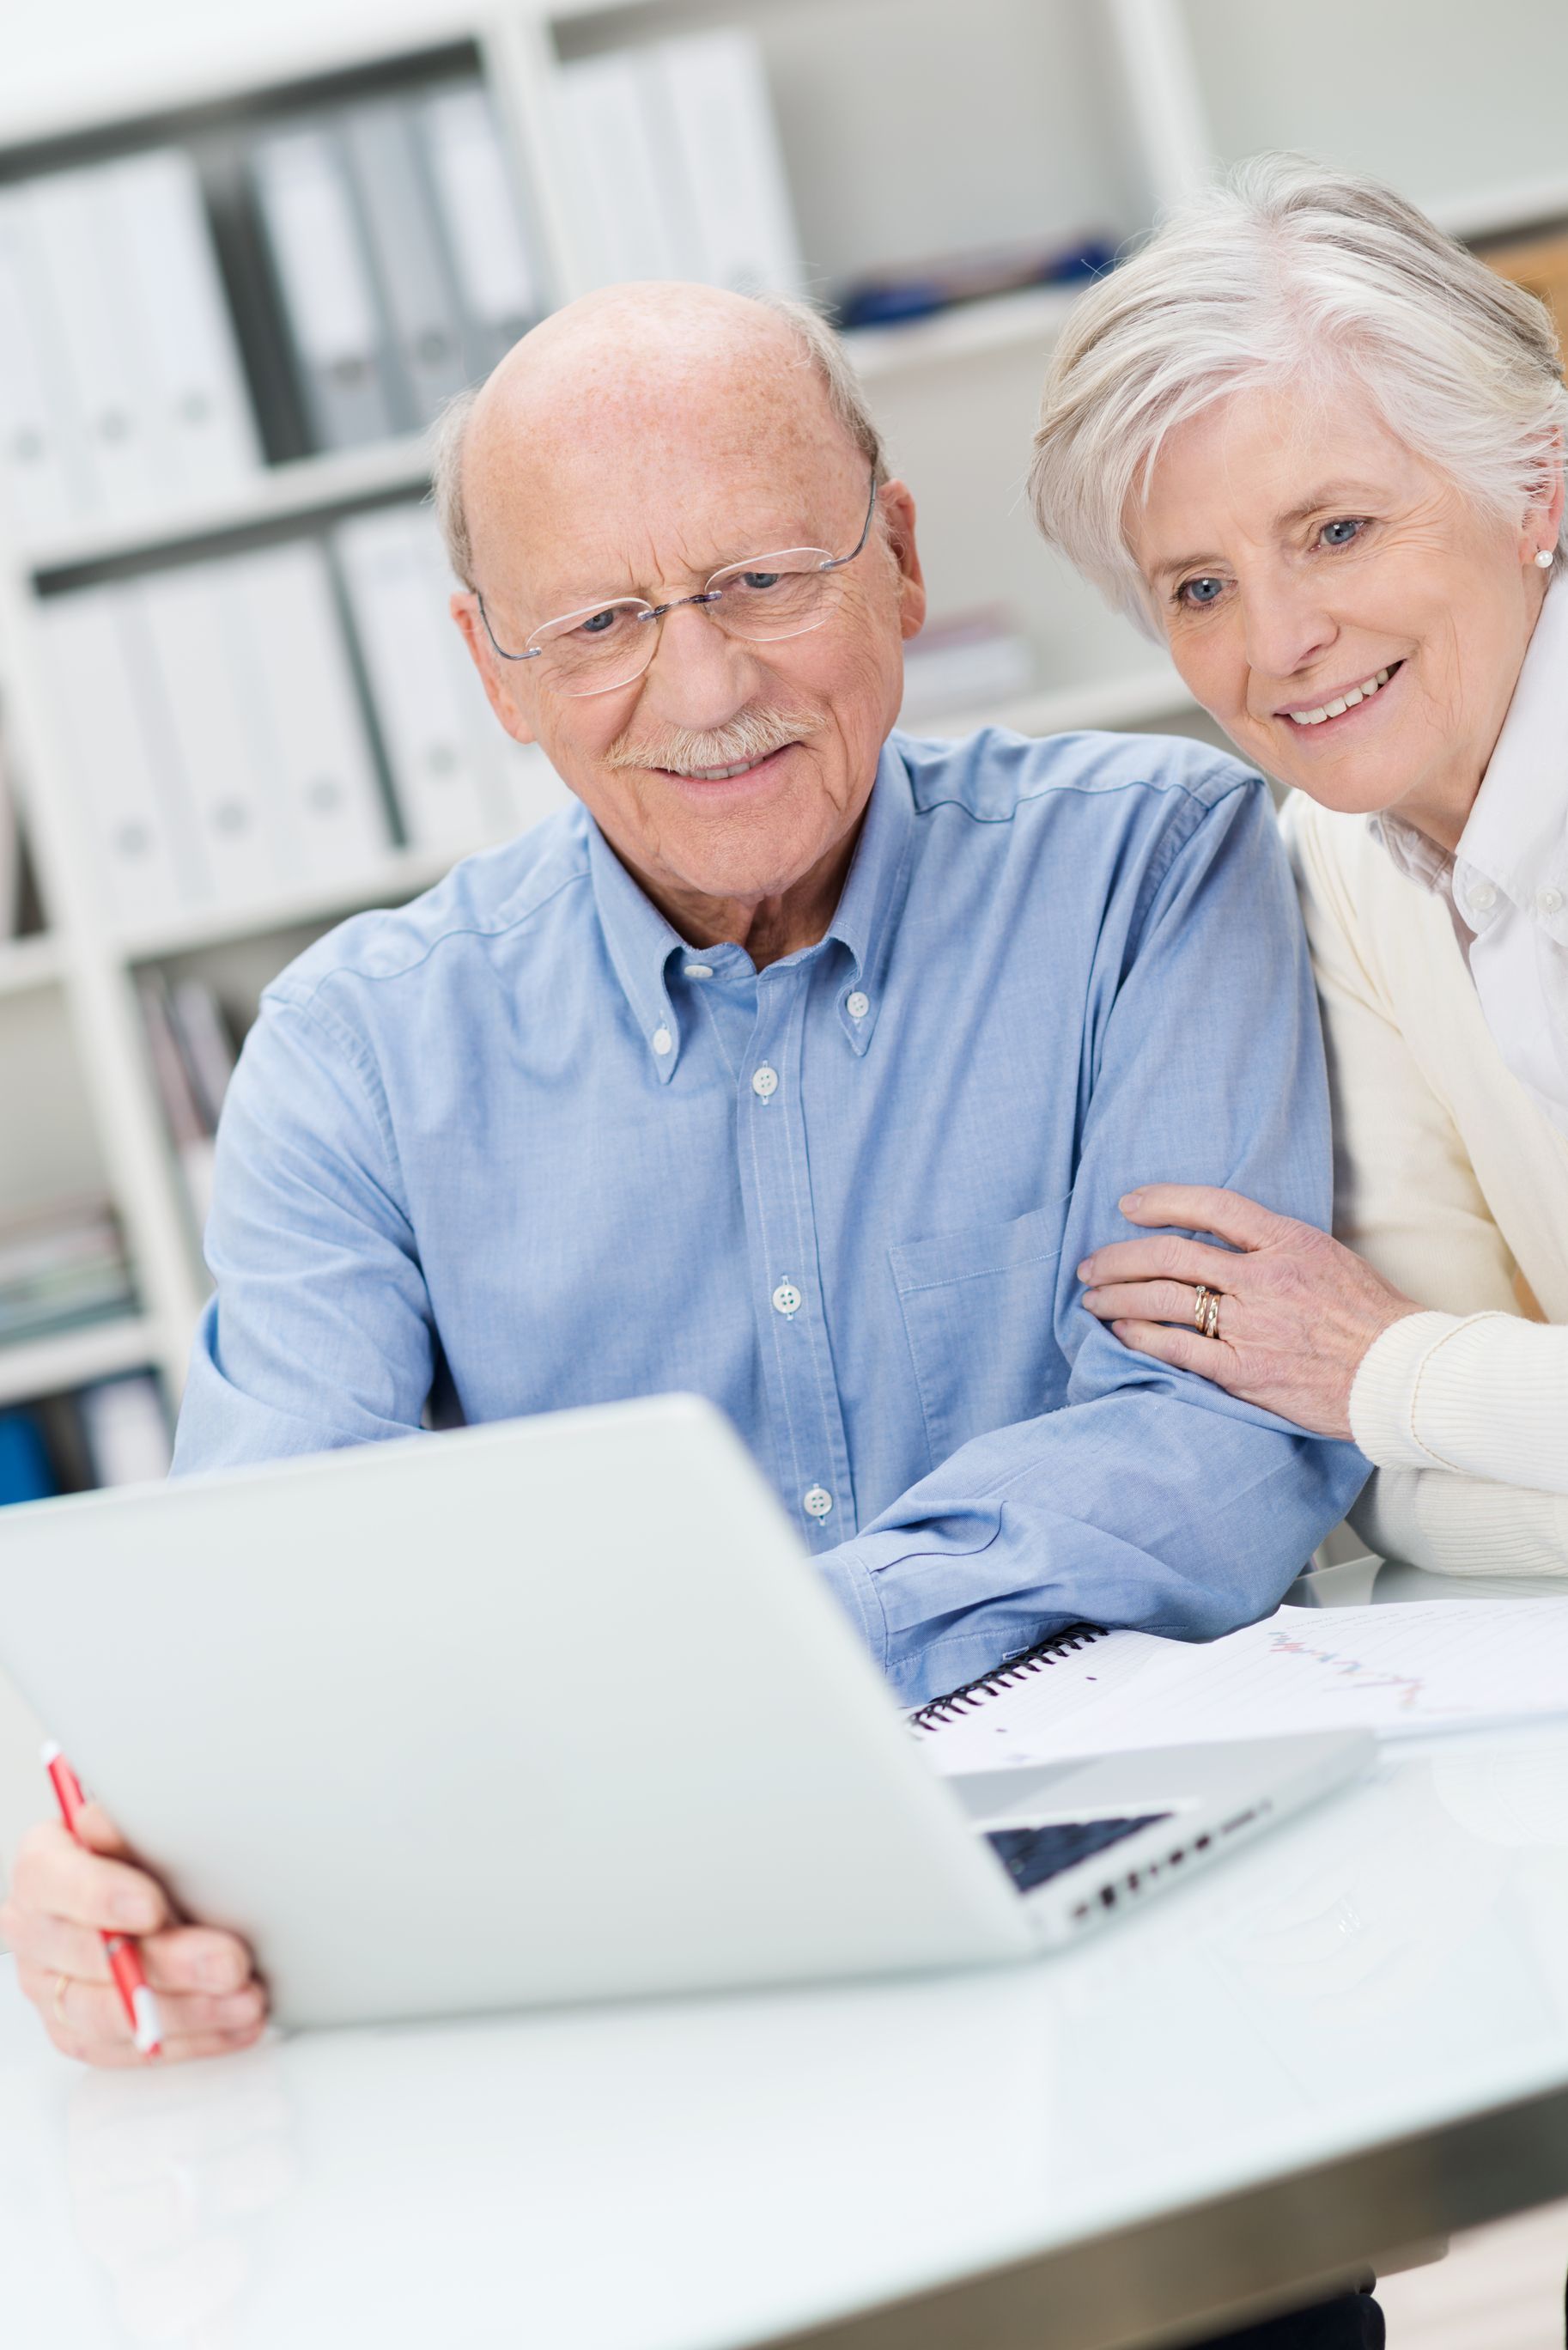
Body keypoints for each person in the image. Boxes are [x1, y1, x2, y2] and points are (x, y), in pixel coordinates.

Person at [2, 287, 1362, 2104]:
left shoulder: (1152, 867)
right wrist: (140, 1862)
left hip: (1170, 1964)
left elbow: (1216, 1448)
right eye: (603, 624)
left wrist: (726, 1655)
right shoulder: (355, 1056)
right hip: (646, 2022)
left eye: (761, 583)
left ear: (892, 559)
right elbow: (279, 1599)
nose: (708, 689)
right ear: (495, 670)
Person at [1030, 155, 1568, 1580]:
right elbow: (1381, 1484)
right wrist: (1407, 1394)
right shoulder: (1336, 848)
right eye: (1197, 589)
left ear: (1535, 487)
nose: (1274, 648)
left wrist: (1395, 1374)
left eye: (1334, 531)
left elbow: (1365, 1380)